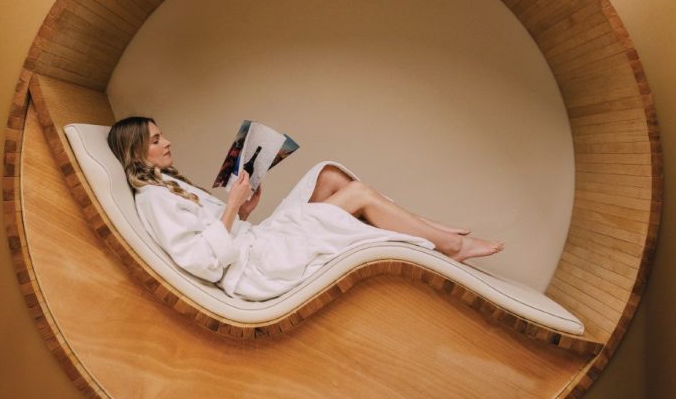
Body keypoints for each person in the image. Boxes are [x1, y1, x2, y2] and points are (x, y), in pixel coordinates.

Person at [107, 117, 504, 302]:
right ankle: (449, 244)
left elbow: (220, 229)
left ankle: (434, 231)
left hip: (256, 240)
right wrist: (231, 208)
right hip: (256, 268)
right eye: (157, 139)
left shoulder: (169, 185)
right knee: (358, 196)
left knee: (328, 173)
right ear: (137, 150)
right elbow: (202, 261)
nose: (167, 141)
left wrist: (244, 211)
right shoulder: (153, 200)